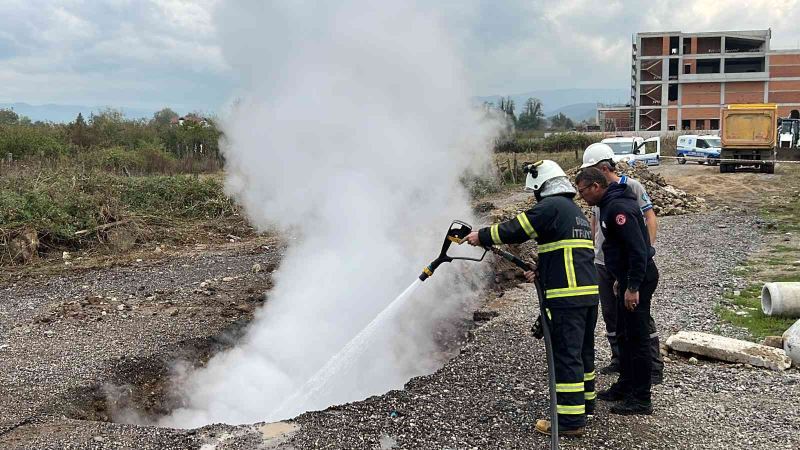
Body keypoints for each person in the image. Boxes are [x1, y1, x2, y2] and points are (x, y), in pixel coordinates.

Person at [465, 160, 598, 437]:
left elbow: (516, 229)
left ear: (541, 185)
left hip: (566, 297)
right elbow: (565, 253)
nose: (533, 197)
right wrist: (541, 270)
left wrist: (482, 235)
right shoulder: (574, 211)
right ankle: (584, 404)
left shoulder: (551, 207)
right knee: (583, 352)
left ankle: (570, 422)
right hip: (585, 295)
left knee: (566, 356)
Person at [575, 166, 659, 415]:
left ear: (595, 187)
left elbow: (637, 250)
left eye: (582, 192)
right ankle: (625, 384)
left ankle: (642, 398)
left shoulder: (618, 208)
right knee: (623, 334)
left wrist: (632, 286)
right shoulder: (606, 205)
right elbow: (617, 249)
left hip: (639, 279)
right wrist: (619, 280)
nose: (581, 197)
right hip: (625, 279)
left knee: (637, 338)